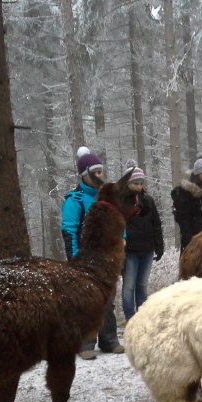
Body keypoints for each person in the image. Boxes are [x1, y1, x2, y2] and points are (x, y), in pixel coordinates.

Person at [61, 146, 124, 360]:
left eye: (100, 172)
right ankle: (85, 343)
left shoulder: (105, 197)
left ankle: (110, 340)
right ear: (84, 175)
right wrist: (75, 258)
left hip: (107, 258)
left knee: (108, 298)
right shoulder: (75, 200)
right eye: (94, 173)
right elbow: (69, 230)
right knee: (87, 300)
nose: (99, 176)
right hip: (85, 259)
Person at [121, 160, 164, 321]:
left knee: (142, 285)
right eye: (135, 183)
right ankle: (130, 318)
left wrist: (159, 246)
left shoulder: (148, 201)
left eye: (141, 183)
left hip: (147, 249)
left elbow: (156, 224)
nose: (139, 187)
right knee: (128, 286)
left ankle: (142, 318)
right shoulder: (121, 202)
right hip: (129, 251)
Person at [171, 152, 202, 251]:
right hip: (194, 239)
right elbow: (183, 218)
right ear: (197, 174)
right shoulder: (186, 192)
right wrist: (190, 240)